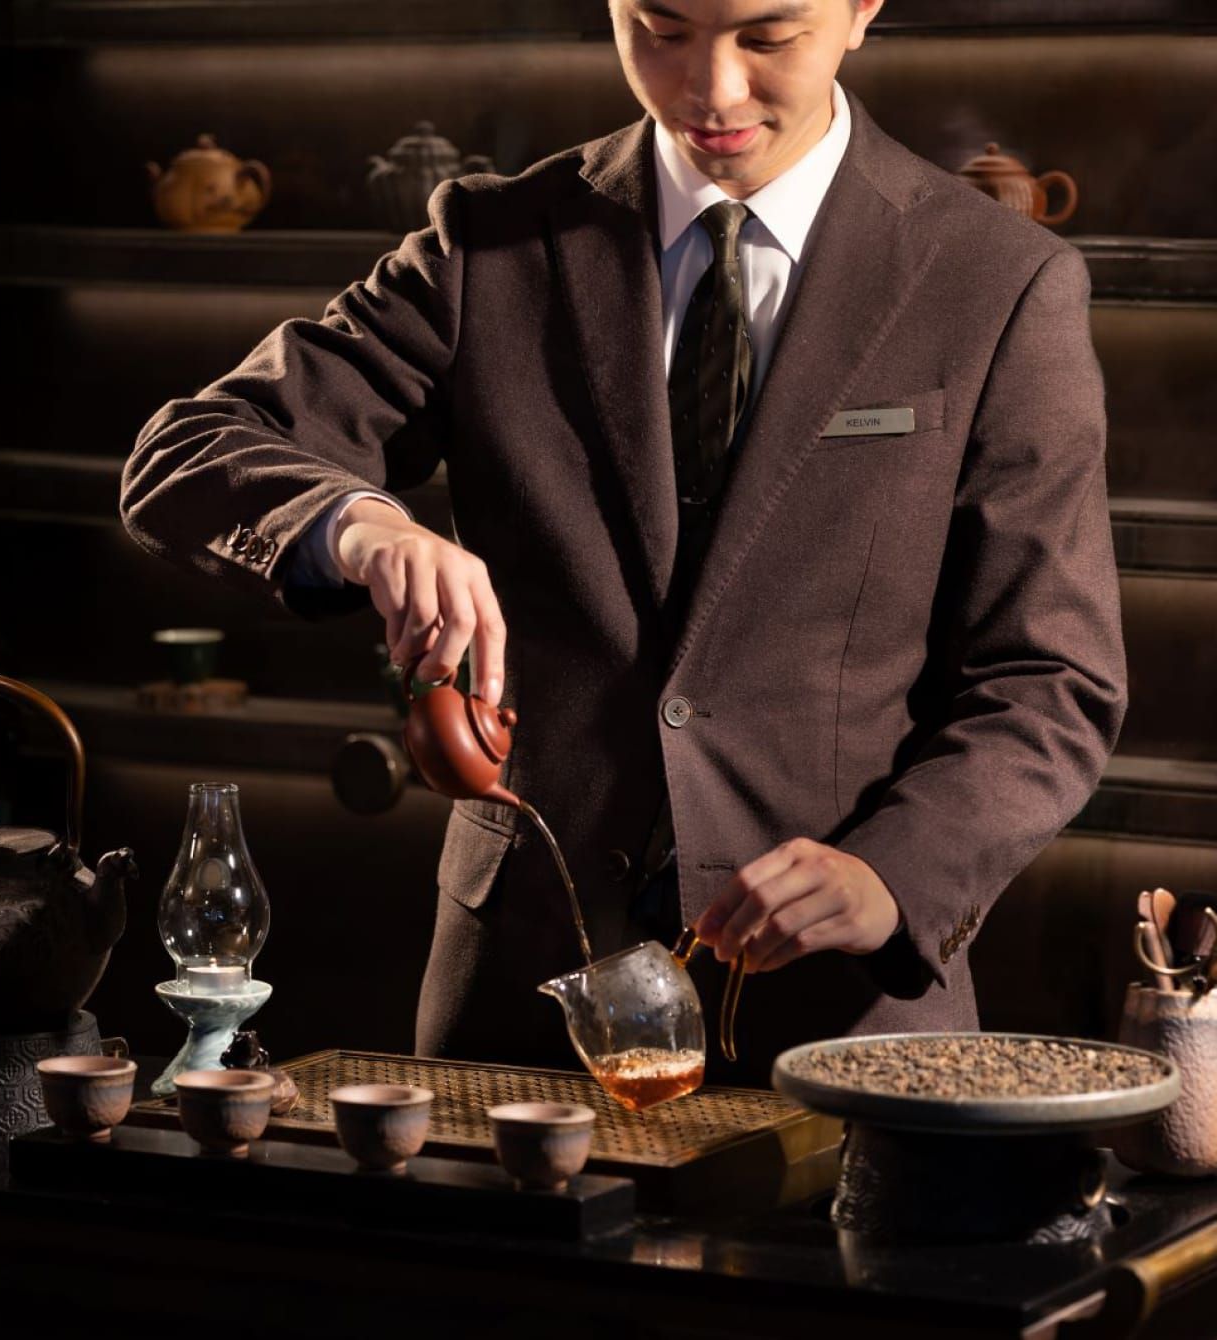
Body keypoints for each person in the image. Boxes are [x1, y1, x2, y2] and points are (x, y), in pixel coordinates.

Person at [122, 0, 1127, 1084]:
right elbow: (187, 450)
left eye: (765, 37)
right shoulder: (491, 241)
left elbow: (1048, 675)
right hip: (523, 997)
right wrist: (356, 525)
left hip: (845, 1015)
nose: (709, 88)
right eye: (659, 28)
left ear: (859, 11)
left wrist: (889, 874)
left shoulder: (997, 280)